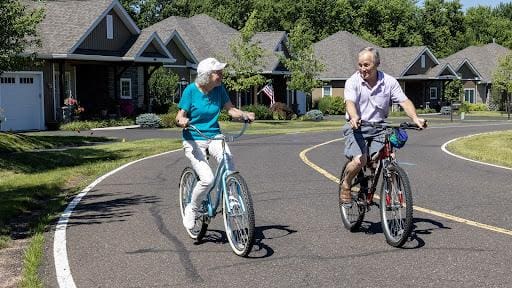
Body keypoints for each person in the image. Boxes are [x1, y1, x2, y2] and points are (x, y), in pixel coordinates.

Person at [176, 57, 255, 229]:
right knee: (207, 179)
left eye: (221, 71)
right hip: (194, 138)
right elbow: (179, 115)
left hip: (214, 136)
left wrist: (244, 114)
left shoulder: (219, 89)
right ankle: (192, 208)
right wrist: (182, 120)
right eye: (217, 72)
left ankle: (232, 197)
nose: (221, 75)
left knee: (228, 160)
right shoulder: (191, 91)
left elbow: (231, 110)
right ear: (206, 76)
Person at [340, 47, 425, 205]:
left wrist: (415, 118)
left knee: (389, 157)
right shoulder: (353, 81)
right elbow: (350, 102)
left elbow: (404, 101)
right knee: (360, 160)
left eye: (366, 65)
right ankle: (346, 183)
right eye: (360, 65)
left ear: (377, 63)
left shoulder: (389, 82)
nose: (362, 69)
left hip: (380, 127)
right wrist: (354, 116)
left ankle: (391, 195)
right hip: (357, 126)